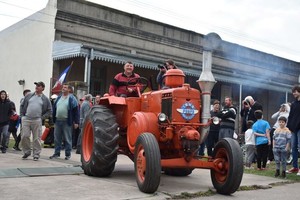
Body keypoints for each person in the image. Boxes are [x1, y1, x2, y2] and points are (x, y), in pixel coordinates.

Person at [20, 82, 52, 160]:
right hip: (26, 119)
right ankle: (27, 152)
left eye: (38, 86)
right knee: (24, 136)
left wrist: (42, 118)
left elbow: (49, 111)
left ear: (43, 88)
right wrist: (22, 116)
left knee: (37, 138)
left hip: (37, 120)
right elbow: (22, 105)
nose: (36, 87)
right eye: (36, 85)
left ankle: (36, 154)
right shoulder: (29, 96)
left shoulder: (45, 99)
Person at [50, 83, 79, 160]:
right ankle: (56, 153)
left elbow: (76, 111)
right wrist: (53, 119)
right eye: (63, 87)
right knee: (57, 139)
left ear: (69, 89)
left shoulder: (72, 98)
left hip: (67, 121)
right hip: (57, 121)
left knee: (67, 138)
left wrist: (76, 122)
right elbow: (54, 108)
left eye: (65, 87)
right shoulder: (58, 98)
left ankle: (68, 154)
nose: (63, 88)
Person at [286, 85, 300, 175]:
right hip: (293, 129)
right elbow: (290, 116)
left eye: (296, 91)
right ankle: (295, 167)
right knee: (294, 148)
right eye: (293, 92)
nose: (294, 93)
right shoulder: (293, 104)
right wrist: (289, 127)